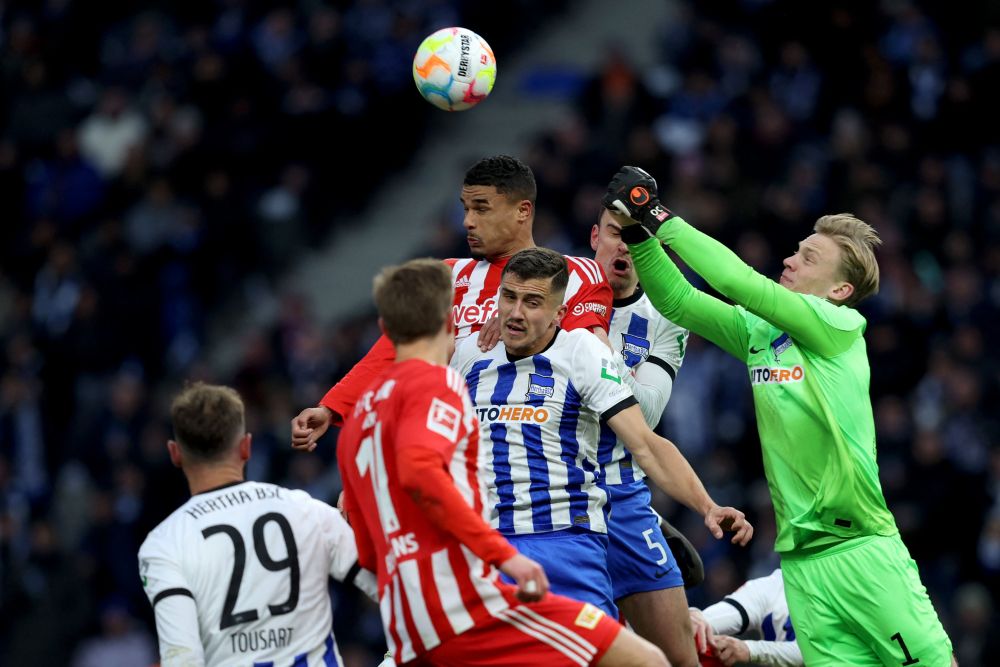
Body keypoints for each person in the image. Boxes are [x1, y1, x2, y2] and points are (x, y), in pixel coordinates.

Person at [603, 165, 956, 667]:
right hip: (801, 563)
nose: (790, 260)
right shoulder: (761, 333)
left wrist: (656, 214)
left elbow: (739, 281)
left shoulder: (839, 326)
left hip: (861, 548)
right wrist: (637, 233)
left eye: (808, 258)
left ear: (839, 290)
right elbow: (678, 300)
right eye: (796, 250)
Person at [336, 258, 668, 666]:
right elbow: (422, 474)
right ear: (449, 322)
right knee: (640, 659)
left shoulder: (361, 419)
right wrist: (502, 556)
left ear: (385, 331)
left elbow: (366, 546)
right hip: (467, 593)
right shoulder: (440, 383)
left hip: (413, 609)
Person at [449, 247, 753, 621]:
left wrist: (707, 505)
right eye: (509, 297)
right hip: (487, 545)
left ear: (559, 313)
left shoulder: (583, 353)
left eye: (532, 302)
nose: (515, 313)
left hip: (566, 542)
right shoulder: (468, 355)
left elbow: (645, 443)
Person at [292, 154, 613, 452]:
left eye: (481, 209)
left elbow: (594, 356)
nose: (468, 222)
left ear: (523, 211)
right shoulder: (445, 277)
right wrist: (331, 408)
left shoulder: (576, 274)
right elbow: (391, 354)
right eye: (466, 208)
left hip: (544, 457)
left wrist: (520, 322)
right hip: (452, 459)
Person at [137, 382, 377, 667]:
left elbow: (182, 658)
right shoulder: (306, 510)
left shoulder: (163, 544)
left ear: (175, 453)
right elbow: (393, 588)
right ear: (246, 446)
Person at [590, 209, 699, 666]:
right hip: (554, 499)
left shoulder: (666, 316)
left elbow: (646, 413)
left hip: (625, 495)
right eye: (616, 233)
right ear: (595, 235)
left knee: (680, 660)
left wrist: (596, 343)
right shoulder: (548, 289)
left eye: (639, 240)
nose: (625, 247)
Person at [689, 569, 802, 667]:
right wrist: (697, 617)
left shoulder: (818, 587)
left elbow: (813, 652)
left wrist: (749, 649)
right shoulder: (771, 586)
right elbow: (711, 619)